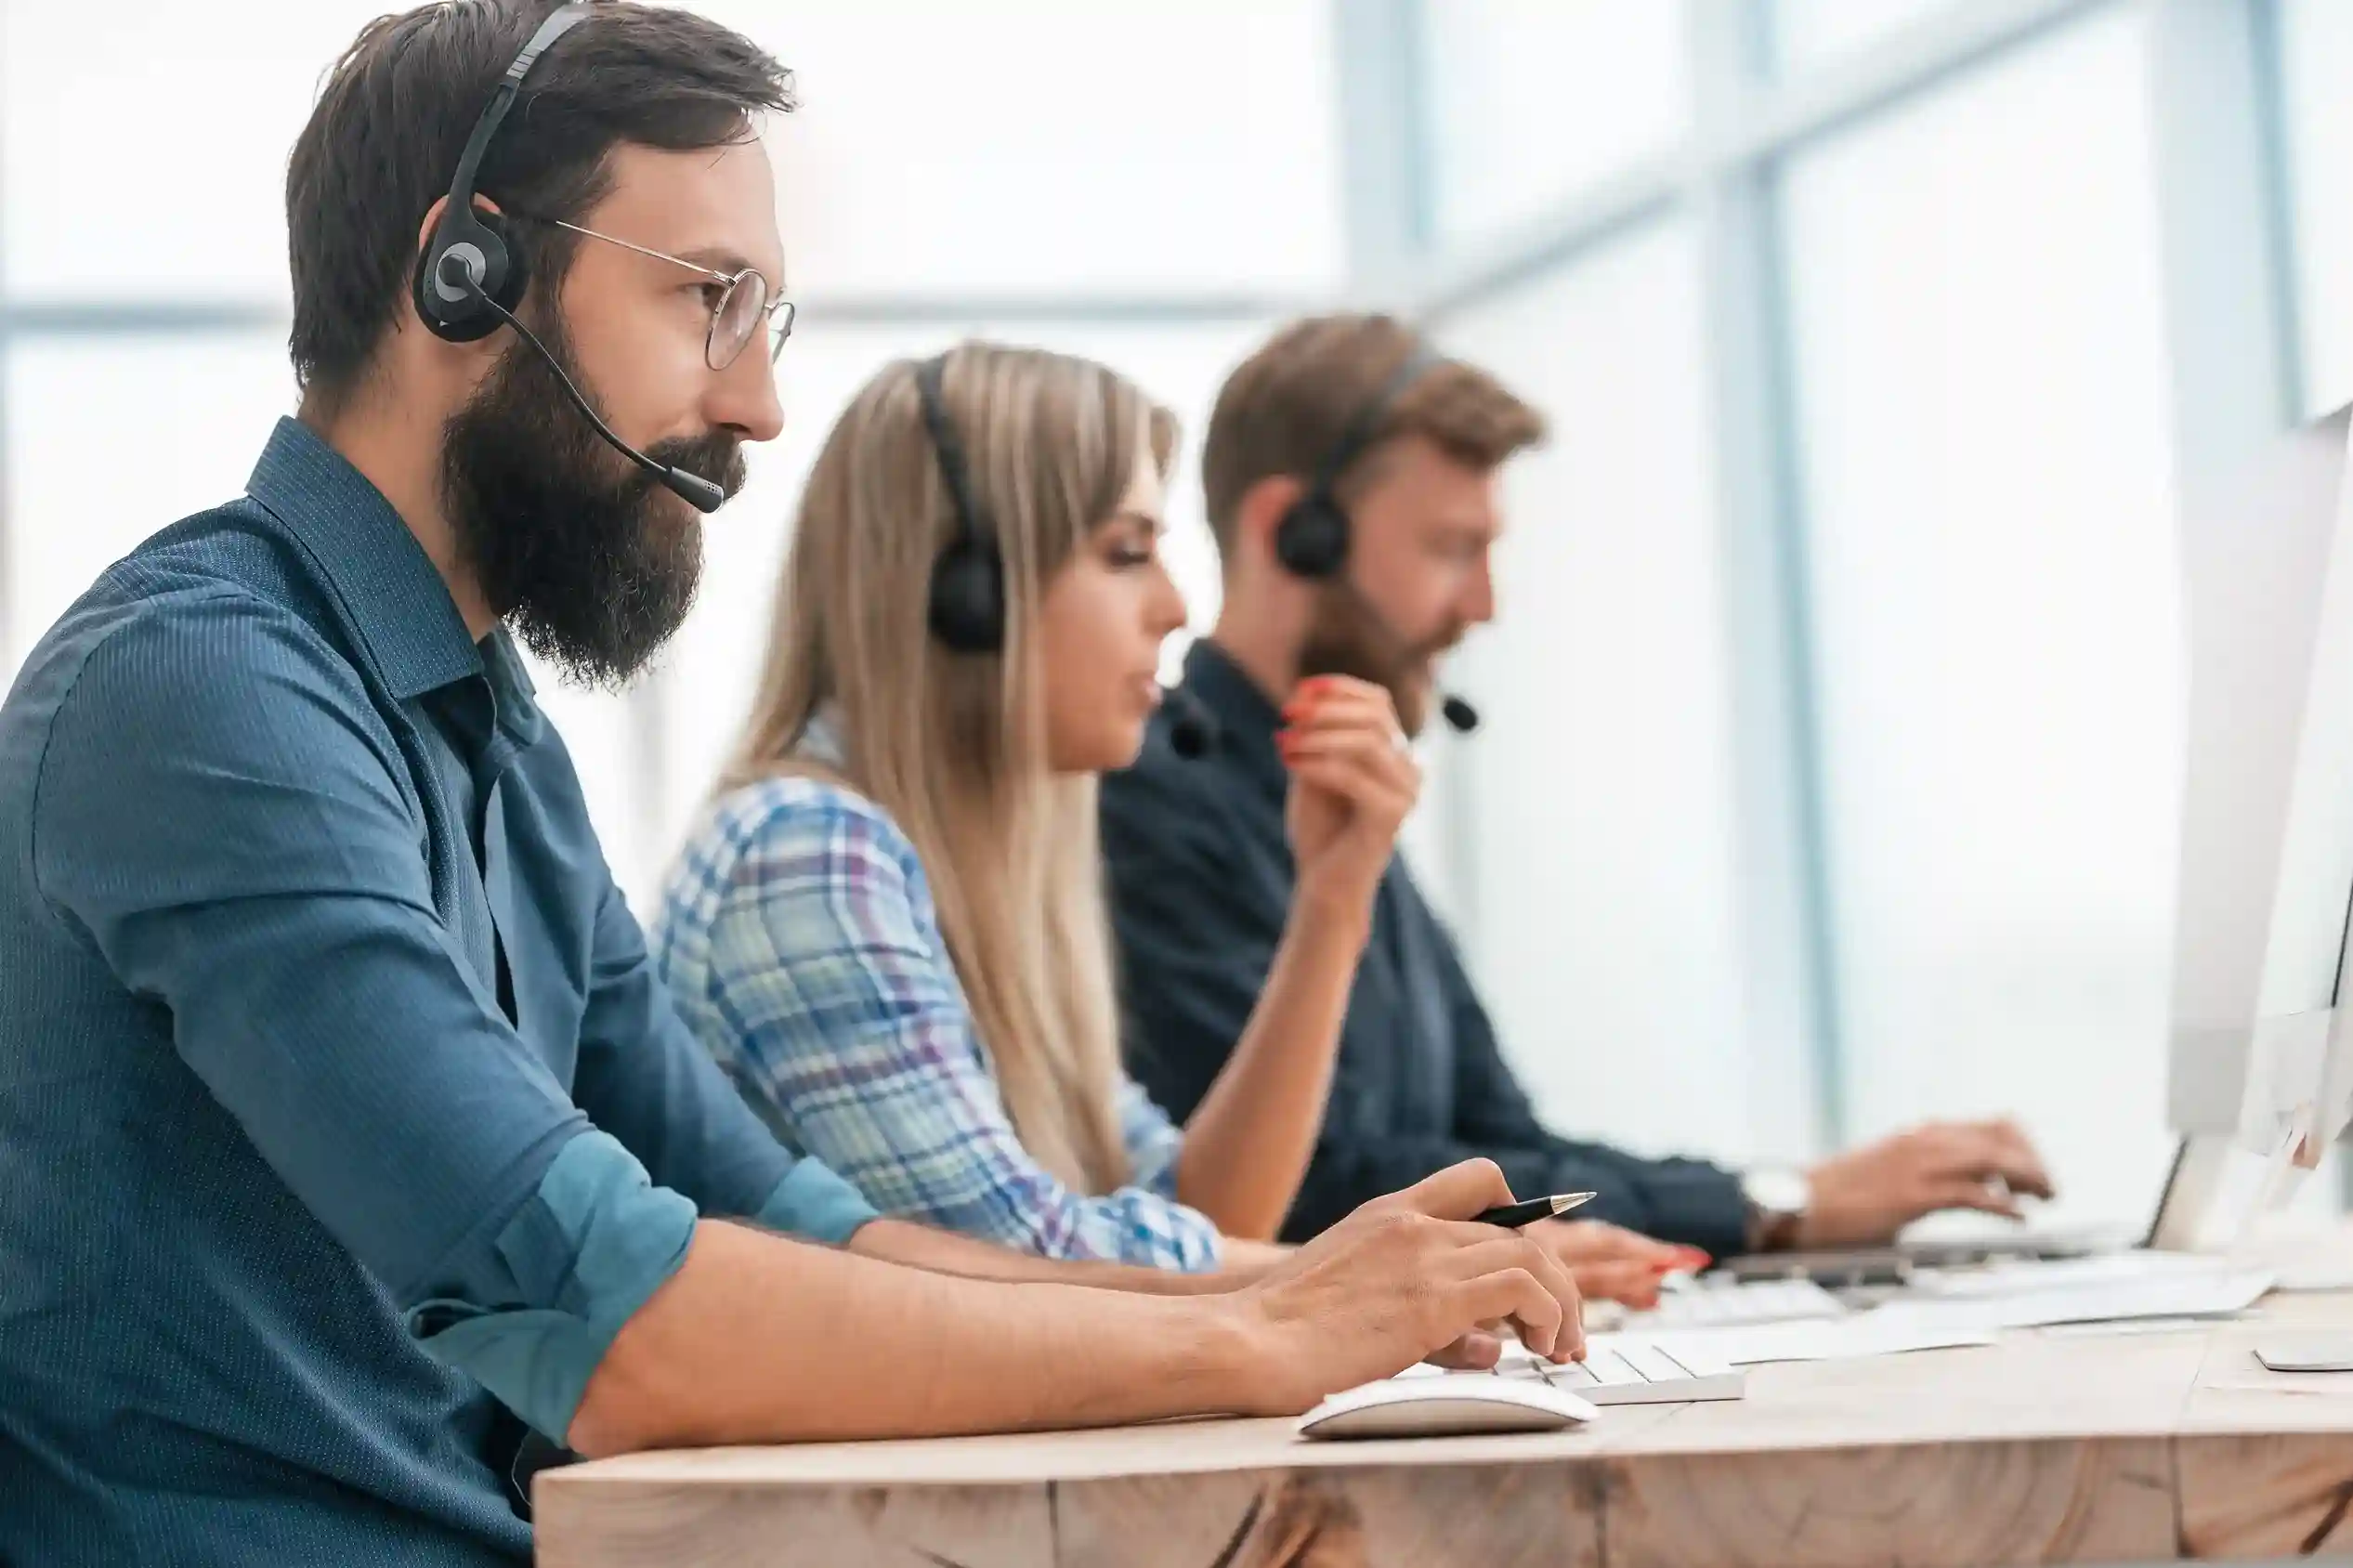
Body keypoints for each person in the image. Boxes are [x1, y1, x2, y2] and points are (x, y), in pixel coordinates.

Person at [0, 17, 1580, 1566]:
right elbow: (609, 1313)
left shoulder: (487, 728)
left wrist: (1279, 1297)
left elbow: (791, 1217)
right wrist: (1260, 1343)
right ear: (460, 272)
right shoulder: (203, 694)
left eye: (765, 317)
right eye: (707, 300)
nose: (756, 403)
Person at [1102, 312, 2057, 1263]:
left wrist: (1770, 1198)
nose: (1483, 604)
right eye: (1448, 547)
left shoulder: (1342, 810)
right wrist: (1779, 1204)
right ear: (1290, 532)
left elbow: (1501, 1143)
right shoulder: (1144, 803)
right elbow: (1314, 1187)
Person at [657, 341, 1471, 1273]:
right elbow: (1029, 1262)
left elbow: (1205, 1208)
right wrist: (1372, 1269)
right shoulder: (805, 850)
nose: (1173, 607)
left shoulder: (985, 869)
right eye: (1126, 552)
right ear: (968, 594)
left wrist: (1332, 898)